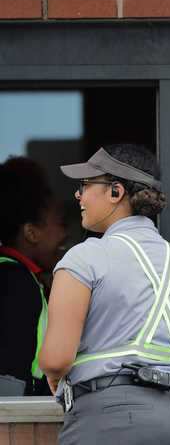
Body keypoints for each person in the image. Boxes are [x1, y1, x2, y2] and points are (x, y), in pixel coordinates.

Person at [38, 144, 170, 444]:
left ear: (116, 192)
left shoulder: (86, 257)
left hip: (111, 421)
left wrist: (57, 375)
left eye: (86, 185)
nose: (79, 195)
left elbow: (55, 359)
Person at [0, 156, 67, 396]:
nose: (65, 234)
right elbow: (9, 380)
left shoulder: (20, 278)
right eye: (60, 222)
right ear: (31, 232)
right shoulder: (15, 283)